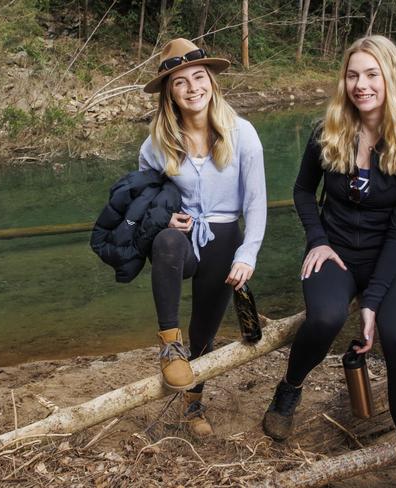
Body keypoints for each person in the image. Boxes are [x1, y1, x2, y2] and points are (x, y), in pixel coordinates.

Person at [262, 35, 396, 487]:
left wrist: (372, 302)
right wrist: (317, 239)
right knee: (322, 318)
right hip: (334, 250)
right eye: (353, 74)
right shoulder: (328, 132)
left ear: (391, 78)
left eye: (372, 74)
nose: (361, 85)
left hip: (389, 257)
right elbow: (302, 191)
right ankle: (290, 388)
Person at [138, 38, 267, 437]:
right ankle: (169, 344)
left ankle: (193, 405)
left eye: (199, 77)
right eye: (180, 83)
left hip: (225, 236)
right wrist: (162, 221)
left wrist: (247, 255)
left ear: (211, 81)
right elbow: (144, 203)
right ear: (170, 94)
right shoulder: (155, 145)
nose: (192, 88)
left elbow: (257, 203)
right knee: (166, 242)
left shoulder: (242, 133)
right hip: (181, 238)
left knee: (205, 330)